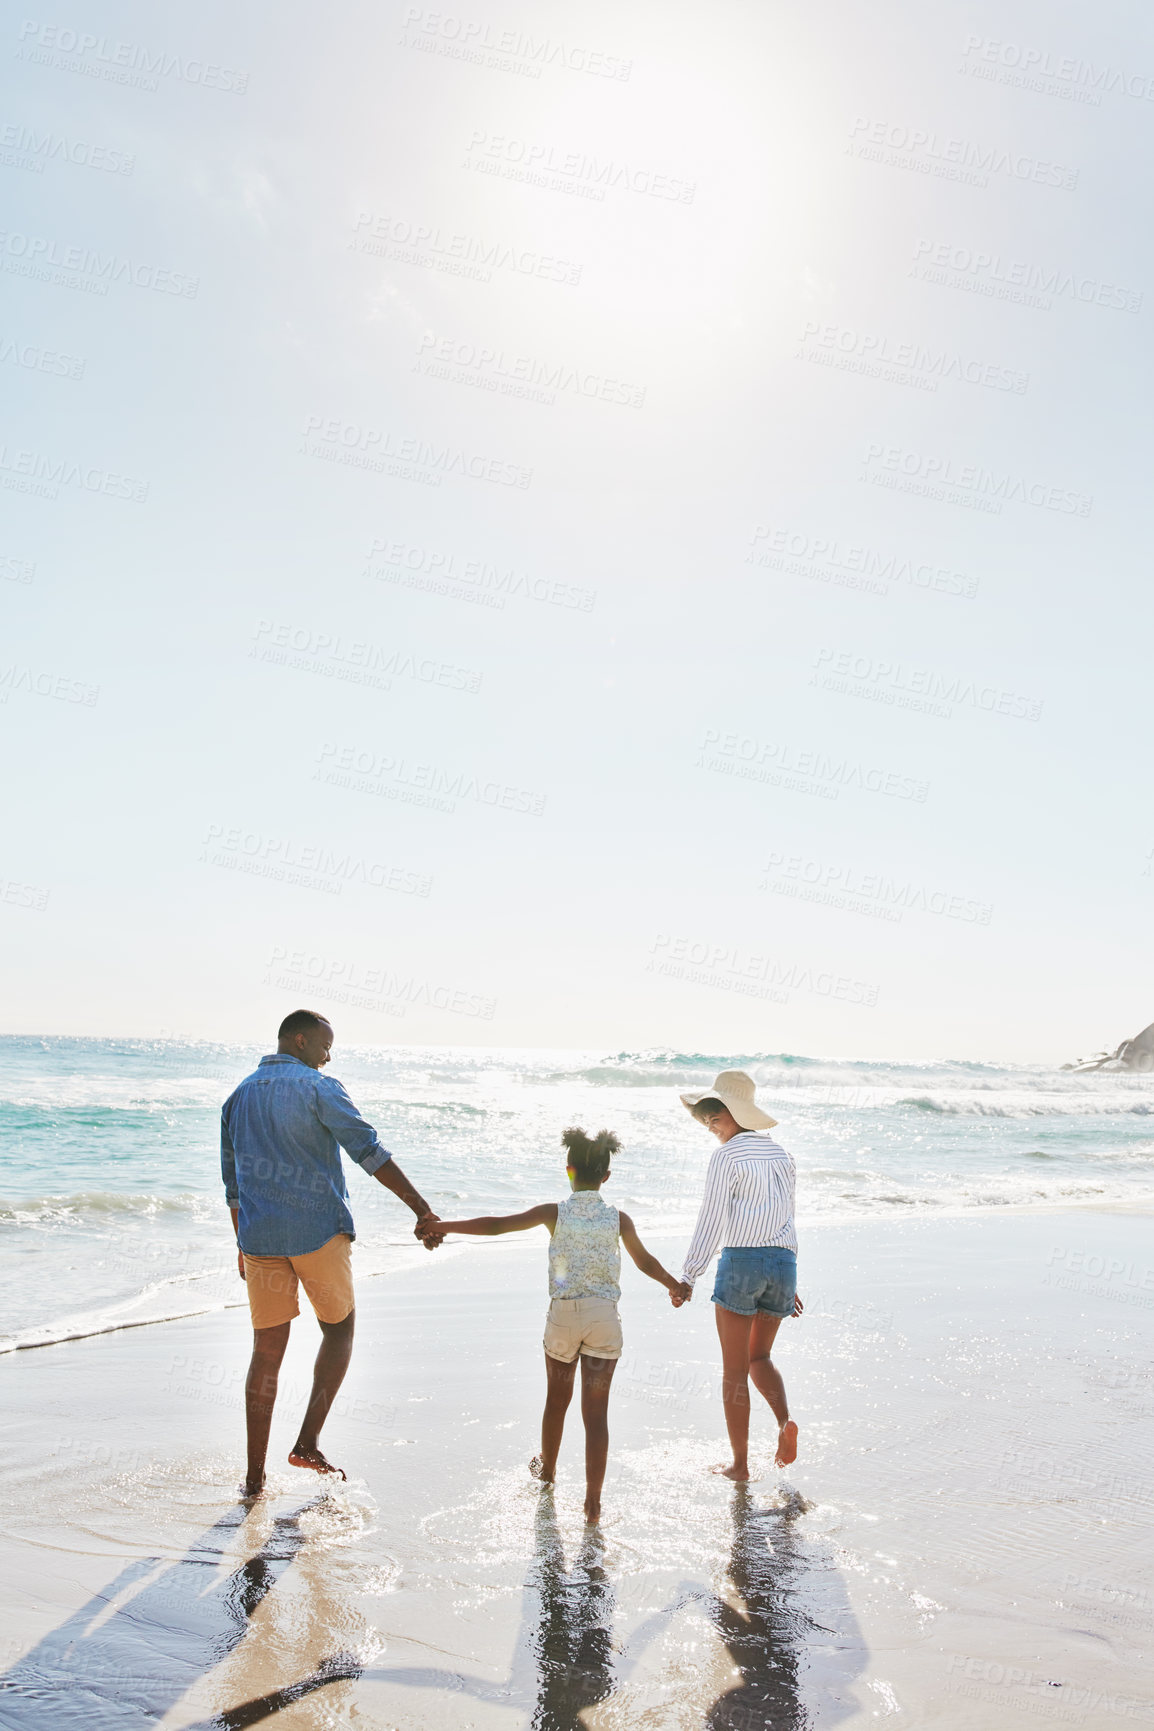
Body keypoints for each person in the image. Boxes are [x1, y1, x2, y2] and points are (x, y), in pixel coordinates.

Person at [419, 1127, 689, 1522]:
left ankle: (547, 1475)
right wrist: (675, 1286)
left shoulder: (554, 1213)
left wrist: (441, 1226)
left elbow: (497, 1225)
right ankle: (593, 1503)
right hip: (604, 1318)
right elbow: (644, 1262)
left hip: (563, 1317)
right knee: (596, 1415)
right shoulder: (618, 1218)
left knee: (555, 1403)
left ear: (569, 1171)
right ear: (606, 1178)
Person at [221, 1009, 439, 1496]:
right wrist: (421, 1209)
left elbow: (232, 1186)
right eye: (324, 1045)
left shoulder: (237, 1097)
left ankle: (254, 1478)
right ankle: (307, 1442)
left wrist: (241, 1242)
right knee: (339, 1331)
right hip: (318, 1232)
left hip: (259, 1240)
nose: (328, 1055)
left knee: (266, 1353)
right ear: (298, 1041)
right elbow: (369, 1152)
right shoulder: (320, 1087)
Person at [679, 1070, 802, 1480]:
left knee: (734, 1370)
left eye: (717, 1117)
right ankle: (785, 1422)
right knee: (760, 1357)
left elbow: (711, 1219)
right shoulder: (783, 1155)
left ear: (737, 1113)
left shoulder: (727, 1156)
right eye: (708, 1120)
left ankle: (740, 1465)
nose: (712, 1127)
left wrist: (689, 1275)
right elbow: (787, 1217)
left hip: (741, 1263)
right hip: (783, 1264)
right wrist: (791, 1281)